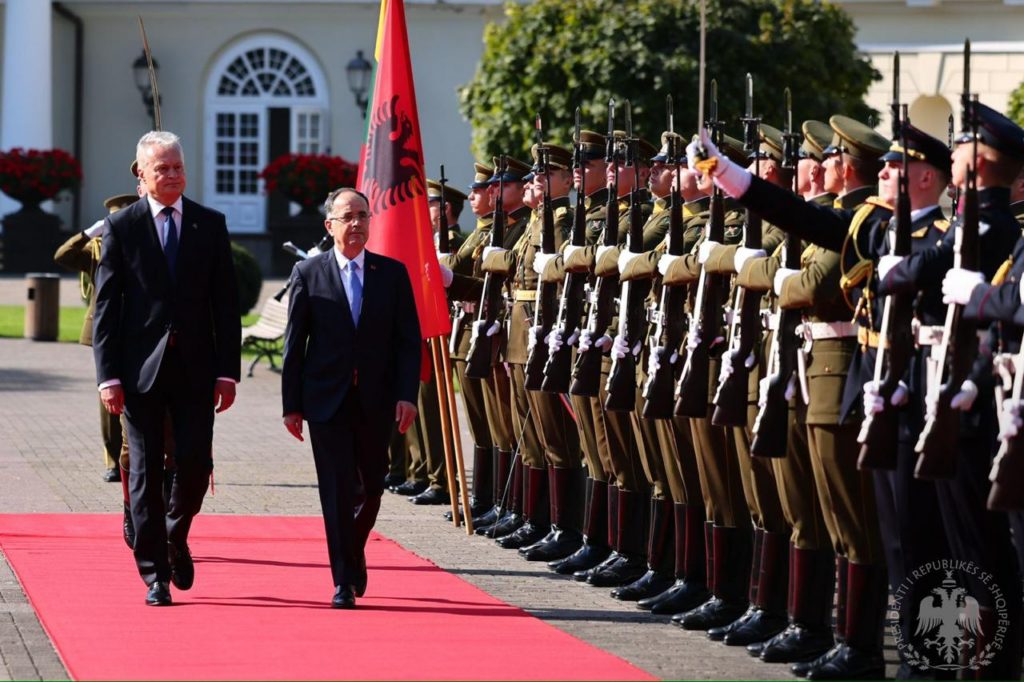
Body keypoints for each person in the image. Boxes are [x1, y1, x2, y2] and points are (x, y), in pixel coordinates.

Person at [93, 131, 241, 607]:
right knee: (143, 472)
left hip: (197, 369)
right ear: (142, 174)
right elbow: (107, 309)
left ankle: (174, 537)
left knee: (196, 464)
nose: (174, 175)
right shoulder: (122, 228)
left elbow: (226, 305)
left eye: (178, 167)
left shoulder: (209, 224)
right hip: (139, 373)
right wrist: (108, 377)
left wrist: (228, 371)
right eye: (163, 169)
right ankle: (155, 574)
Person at [281, 187, 421, 609]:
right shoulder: (309, 273)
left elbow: (408, 342)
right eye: (348, 216)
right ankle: (343, 577)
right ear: (330, 225)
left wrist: (406, 395)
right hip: (326, 400)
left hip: (377, 400)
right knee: (337, 490)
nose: (357, 223)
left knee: (373, 485)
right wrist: (291, 406)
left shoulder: (391, 273)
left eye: (363, 215)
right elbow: (294, 344)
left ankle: (353, 549)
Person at [54, 191, 137, 482]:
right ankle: (114, 460)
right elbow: (62, 256)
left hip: (141, 329)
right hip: (106, 330)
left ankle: (141, 456)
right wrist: (89, 233)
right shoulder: (97, 248)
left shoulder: (146, 242)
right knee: (110, 396)